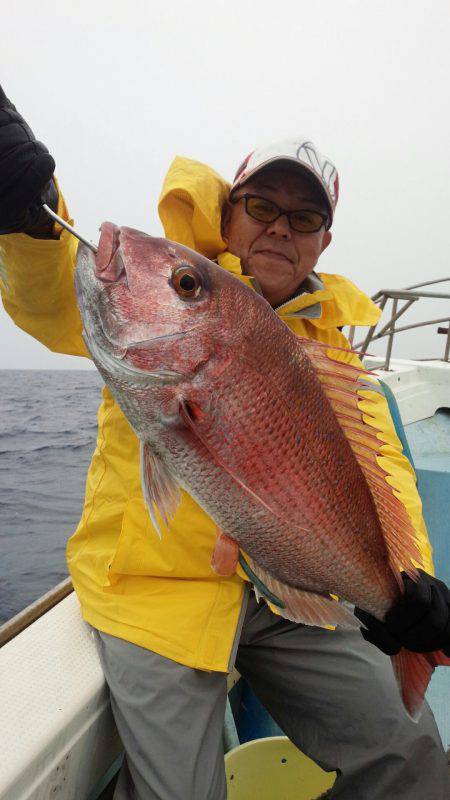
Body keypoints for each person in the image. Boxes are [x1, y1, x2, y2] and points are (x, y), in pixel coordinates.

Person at [1, 85, 450, 800]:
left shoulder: (333, 349)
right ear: (230, 213)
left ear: (324, 241)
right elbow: (56, 294)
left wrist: (407, 584)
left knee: (415, 753)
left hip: (287, 593)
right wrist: (31, 216)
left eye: (304, 217)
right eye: (262, 206)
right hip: (158, 594)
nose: (280, 229)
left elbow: (383, 470)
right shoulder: (172, 292)